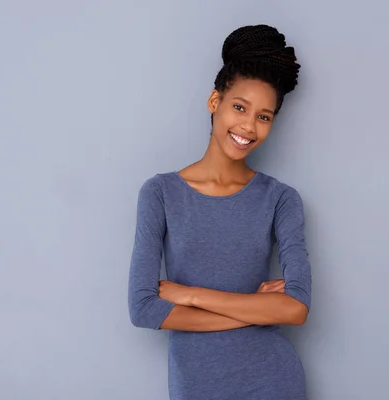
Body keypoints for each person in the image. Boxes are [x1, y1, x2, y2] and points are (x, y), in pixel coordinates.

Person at [128, 24, 311, 400]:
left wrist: (190, 294)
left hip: (272, 380)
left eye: (264, 116)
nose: (248, 126)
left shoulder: (281, 199)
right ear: (215, 102)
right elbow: (144, 309)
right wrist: (259, 309)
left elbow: (295, 309)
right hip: (197, 384)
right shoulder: (160, 193)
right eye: (239, 107)